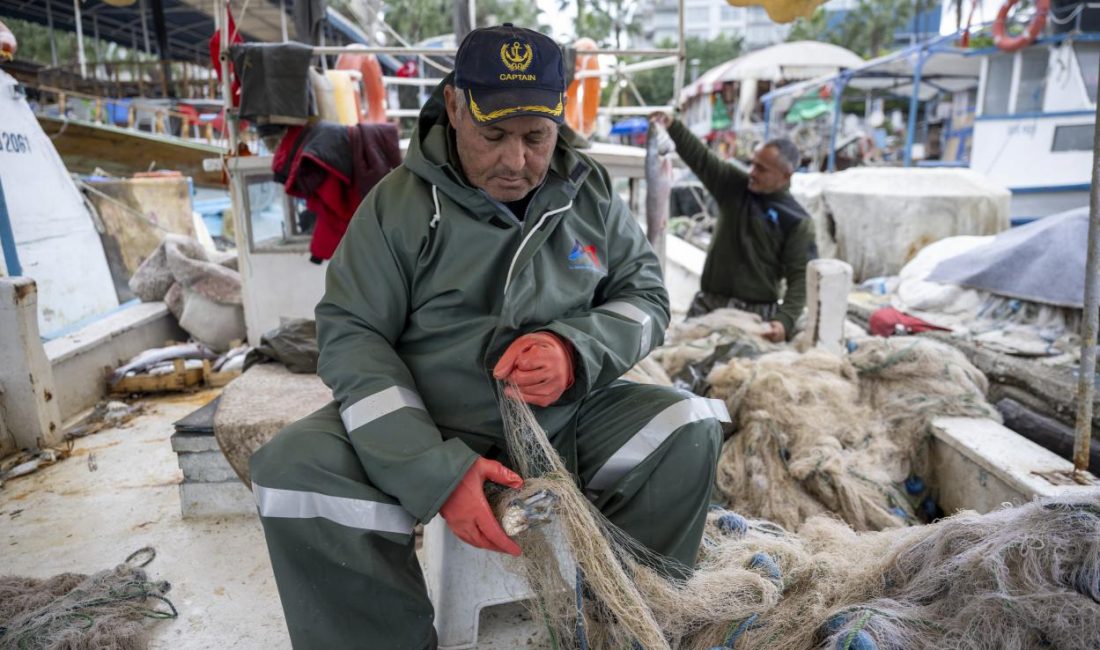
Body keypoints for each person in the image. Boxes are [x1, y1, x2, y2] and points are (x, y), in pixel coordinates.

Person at [250, 24, 730, 649]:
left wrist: (572, 349)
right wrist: (433, 470)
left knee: (689, 427)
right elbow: (352, 333)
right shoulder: (397, 206)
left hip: (563, 424)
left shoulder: (591, 192)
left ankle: (626, 624)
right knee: (294, 473)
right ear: (454, 107)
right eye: (493, 135)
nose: (516, 160)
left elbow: (646, 300)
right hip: (426, 419)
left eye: (536, 136)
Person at [650, 112, 816, 342]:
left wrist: (784, 321)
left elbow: (799, 277)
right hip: (709, 303)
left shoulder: (796, 220)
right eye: (753, 164)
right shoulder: (735, 187)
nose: (752, 173)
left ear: (785, 176)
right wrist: (673, 126)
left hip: (754, 313)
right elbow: (702, 159)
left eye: (762, 169)